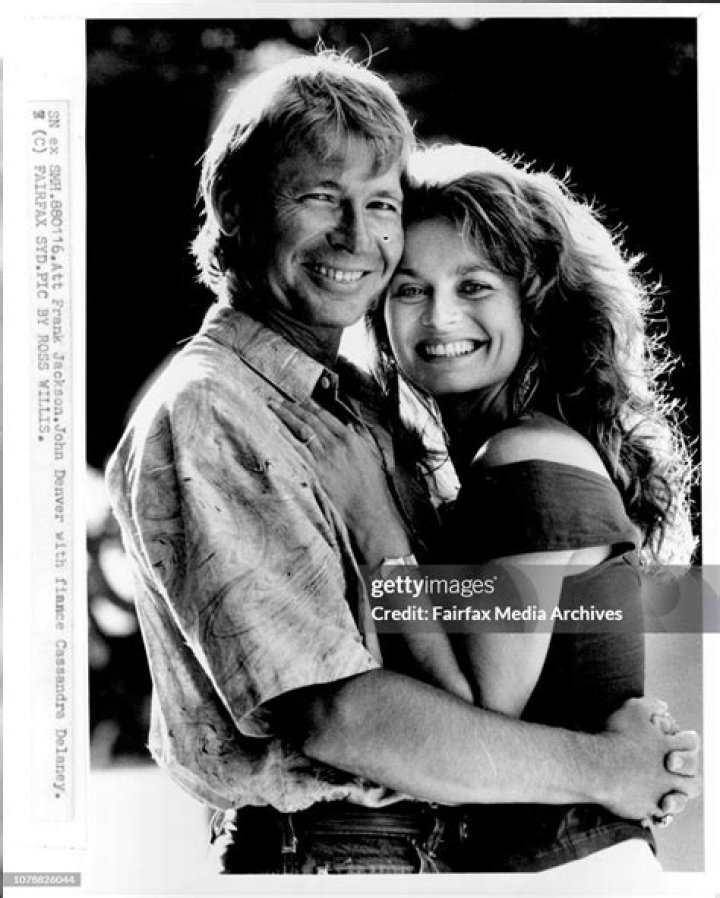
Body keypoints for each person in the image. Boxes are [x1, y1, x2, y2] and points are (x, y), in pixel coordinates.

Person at [105, 54, 699, 876]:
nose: (356, 236)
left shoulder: (363, 408)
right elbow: (339, 714)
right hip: (337, 851)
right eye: (320, 196)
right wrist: (608, 766)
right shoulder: (213, 410)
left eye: (379, 203)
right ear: (236, 210)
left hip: (460, 855)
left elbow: (490, 661)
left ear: (531, 301)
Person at [275, 143, 699, 874]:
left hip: (569, 875)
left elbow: (475, 720)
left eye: (474, 286)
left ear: (533, 302)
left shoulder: (527, 459)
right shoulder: (497, 461)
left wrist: (374, 528)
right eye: (410, 289)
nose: (440, 317)